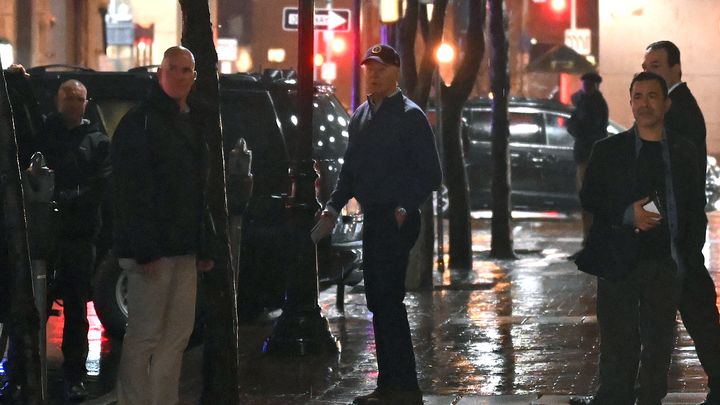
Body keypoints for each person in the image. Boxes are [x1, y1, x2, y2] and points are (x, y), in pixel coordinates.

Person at [312, 44, 441, 405]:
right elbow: (350, 170)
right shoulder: (362, 116)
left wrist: (405, 205)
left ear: (396, 71)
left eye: (381, 68)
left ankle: (402, 386)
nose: (373, 74)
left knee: (389, 300)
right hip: (375, 216)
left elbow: (431, 173)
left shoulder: (410, 116)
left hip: (397, 218)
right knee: (378, 300)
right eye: (369, 68)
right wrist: (333, 207)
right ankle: (392, 384)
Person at [570, 72, 706, 405]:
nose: (644, 104)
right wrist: (627, 212)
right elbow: (591, 198)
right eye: (638, 97)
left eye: (652, 96)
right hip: (619, 262)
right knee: (618, 344)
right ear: (630, 102)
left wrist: (687, 257)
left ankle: (650, 399)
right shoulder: (608, 150)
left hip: (664, 264)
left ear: (666, 103)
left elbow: (693, 208)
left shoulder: (684, 153)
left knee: (659, 344)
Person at [112, 46, 215, 405]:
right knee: (145, 336)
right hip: (155, 251)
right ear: (160, 73)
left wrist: (203, 244)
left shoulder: (195, 120)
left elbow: (199, 191)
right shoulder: (140, 122)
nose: (181, 76)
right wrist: (146, 248)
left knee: (176, 337)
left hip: (183, 248)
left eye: (187, 70)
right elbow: (132, 190)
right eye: (174, 69)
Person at [643, 40, 720, 405]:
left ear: (676, 69)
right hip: (676, 233)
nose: (649, 71)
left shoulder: (679, 111)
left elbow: (672, 178)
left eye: (656, 65)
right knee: (679, 315)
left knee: (695, 314)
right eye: (646, 65)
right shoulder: (671, 107)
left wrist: (650, 216)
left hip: (678, 233)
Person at [42, 79, 111, 401]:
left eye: (79, 98)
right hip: (44, 234)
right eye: (68, 97)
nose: (73, 103)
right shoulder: (44, 134)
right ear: (58, 100)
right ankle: (24, 370)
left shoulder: (97, 141)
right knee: (33, 306)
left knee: (75, 311)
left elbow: (101, 185)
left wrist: (67, 198)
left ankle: (75, 375)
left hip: (80, 235)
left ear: (86, 102)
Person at [566, 72, 608, 252]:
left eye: (588, 84)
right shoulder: (584, 102)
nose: (585, 87)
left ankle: (591, 242)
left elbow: (582, 127)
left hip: (589, 156)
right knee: (587, 202)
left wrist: (576, 125)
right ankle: (588, 241)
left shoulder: (595, 105)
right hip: (585, 155)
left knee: (589, 201)